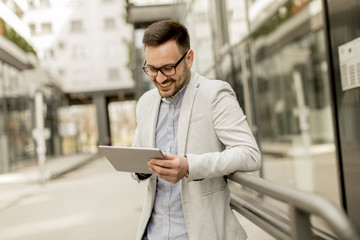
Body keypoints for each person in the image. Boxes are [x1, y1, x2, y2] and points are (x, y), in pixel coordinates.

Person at [131, 20, 261, 240]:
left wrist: (190, 166)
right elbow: (138, 156)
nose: (160, 78)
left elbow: (250, 154)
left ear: (189, 58)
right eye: (152, 69)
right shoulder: (145, 103)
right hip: (152, 234)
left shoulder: (214, 95)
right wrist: (141, 168)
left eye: (168, 68)